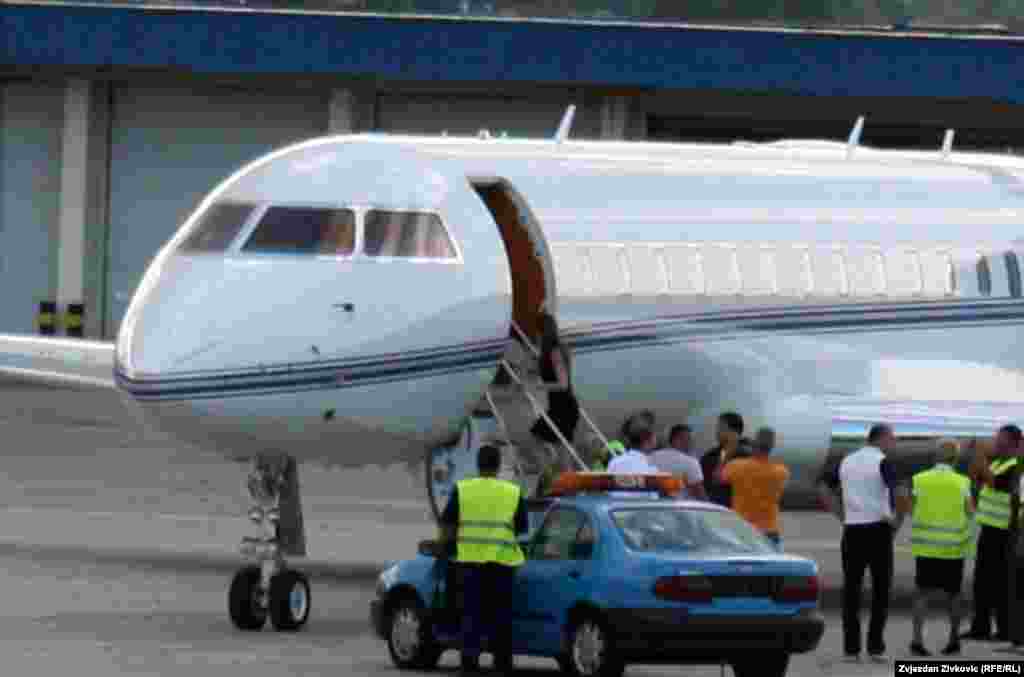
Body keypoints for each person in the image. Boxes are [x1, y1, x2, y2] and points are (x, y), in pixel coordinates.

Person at [818, 423, 909, 663]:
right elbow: (900, 491)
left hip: (852, 531)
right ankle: (875, 647)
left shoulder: (847, 461)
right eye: (892, 439)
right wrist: (898, 521)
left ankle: (851, 649)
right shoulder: (882, 461)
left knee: (851, 591)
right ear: (882, 439)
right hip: (878, 529)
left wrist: (841, 515)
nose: (894, 444)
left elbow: (824, 488)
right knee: (880, 590)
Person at [439, 444, 528, 676]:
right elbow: (521, 528)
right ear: (498, 466)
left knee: (471, 614)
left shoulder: (463, 489)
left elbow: (447, 524)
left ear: (478, 465)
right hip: (502, 565)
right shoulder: (512, 492)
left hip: (470, 563)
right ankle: (502, 664)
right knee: (501, 616)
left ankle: (469, 664)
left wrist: (446, 549)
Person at [908, 438, 974, 657]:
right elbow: (970, 512)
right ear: (955, 459)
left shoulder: (919, 480)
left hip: (926, 549)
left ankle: (917, 641)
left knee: (921, 595)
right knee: (954, 595)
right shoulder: (962, 482)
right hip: (952, 549)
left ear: (935, 456)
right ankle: (953, 639)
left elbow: (911, 508)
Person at [963, 424, 1023, 642]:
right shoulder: (997, 462)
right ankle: (980, 627)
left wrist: (979, 453)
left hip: (1005, 532)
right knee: (982, 581)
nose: (996, 441)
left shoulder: (1016, 466)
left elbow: (995, 482)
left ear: (1014, 442)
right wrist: (975, 457)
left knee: (1002, 584)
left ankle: (1005, 630)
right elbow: (974, 476)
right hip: (988, 529)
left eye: (1001, 438)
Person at [717, 427, 789, 548]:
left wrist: (727, 454)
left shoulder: (736, 466)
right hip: (769, 531)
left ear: (754, 444)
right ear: (772, 447)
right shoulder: (781, 472)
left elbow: (717, 478)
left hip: (742, 530)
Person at [528, 312, 580, 468]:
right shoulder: (552, 352)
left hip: (564, 408)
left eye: (537, 333)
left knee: (537, 436)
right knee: (561, 448)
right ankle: (554, 467)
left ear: (542, 332)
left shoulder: (555, 352)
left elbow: (563, 384)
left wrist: (540, 386)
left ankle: (551, 466)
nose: (536, 337)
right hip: (559, 407)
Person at [701, 412, 752, 507]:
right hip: (715, 512)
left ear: (734, 431)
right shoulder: (710, 456)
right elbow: (703, 485)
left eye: (720, 428)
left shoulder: (749, 456)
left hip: (740, 514)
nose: (717, 432)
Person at [650, 424, 707, 499]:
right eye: (689, 439)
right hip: (681, 508)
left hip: (654, 506)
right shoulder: (690, 462)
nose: (691, 443)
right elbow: (700, 493)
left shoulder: (651, 457)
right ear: (677, 440)